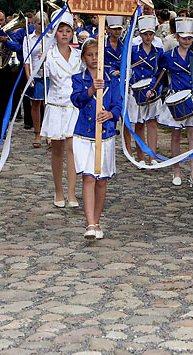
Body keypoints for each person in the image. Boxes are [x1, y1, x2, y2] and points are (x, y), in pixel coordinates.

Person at [70, 38, 123, 240]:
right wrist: (91, 90)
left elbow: (118, 104)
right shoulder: (78, 78)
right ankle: (90, 222)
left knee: (101, 179)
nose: (94, 59)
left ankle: (97, 220)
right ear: (84, 57)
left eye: (97, 55)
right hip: (84, 133)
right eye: (90, 55)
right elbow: (76, 100)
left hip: (106, 134)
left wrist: (110, 115)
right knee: (88, 176)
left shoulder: (112, 79)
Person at [41, 10, 82, 208]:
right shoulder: (49, 55)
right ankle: (59, 190)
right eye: (61, 31)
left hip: (73, 106)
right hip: (56, 106)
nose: (64, 34)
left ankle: (72, 193)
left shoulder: (78, 54)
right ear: (55, 33)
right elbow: (40, 75)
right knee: (57, 150)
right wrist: (41, 61)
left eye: (68, 31)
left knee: (72, 148)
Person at [159, 17, 193, 186]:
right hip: (175, 97)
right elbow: (161, 76)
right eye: (184, 37)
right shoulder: (167, 56)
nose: (187, 41)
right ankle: (176, 171)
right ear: (177, 37)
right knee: (176, 135)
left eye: (190, 38)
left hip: (191, 98)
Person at [128, 15, 165, 164]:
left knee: (152, 123)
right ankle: (141, 157)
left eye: (150, 34)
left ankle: (152, 156)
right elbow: (125, 67)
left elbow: (160, 72)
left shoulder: (158, 52)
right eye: (145, 34)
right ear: (140, 34)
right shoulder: (133, 50)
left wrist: (154, 89)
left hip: (153, 90)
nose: (148, 37)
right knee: (139, 124)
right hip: (137, 92)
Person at [24, 12, 53, 149]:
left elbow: (55, 55)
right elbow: (27, 59)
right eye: (39, 23)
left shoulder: (51, 38)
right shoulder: (28, 39)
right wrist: (28, 75)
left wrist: (48, 57)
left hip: (49, 74)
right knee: (35, 103)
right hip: (36, 73)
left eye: (44, 23)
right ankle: (37, 132)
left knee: (47, 104)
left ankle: (48, 133)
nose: (41, 26)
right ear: (34, 23)